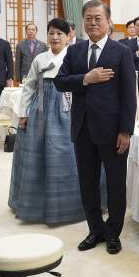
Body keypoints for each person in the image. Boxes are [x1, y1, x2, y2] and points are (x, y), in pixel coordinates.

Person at [54, 0, 136, 255]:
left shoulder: (121, 51)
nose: (93, 23)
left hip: (112, 131)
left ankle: (113, 234)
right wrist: (85, 79)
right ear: (82, 23)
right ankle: (95, 230)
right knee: (87, 184)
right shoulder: (74, 51)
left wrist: (126, 131)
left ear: (108, 22)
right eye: (88, 18)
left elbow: (128, 95)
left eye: (98, 18)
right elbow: (60, 81)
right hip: (83, 128)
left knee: (115, 185)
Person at [9, 18, 106, 223]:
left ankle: (74, 205)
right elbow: (29, 87)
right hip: (41, 109)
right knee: (38, 156)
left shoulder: (76, 56)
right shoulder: (40, 59)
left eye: (59, 34)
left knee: (70, 154)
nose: (55, 37)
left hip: (69, 108)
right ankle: (38, 204)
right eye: (51, 33)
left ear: (69, 36)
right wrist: (24, 114)